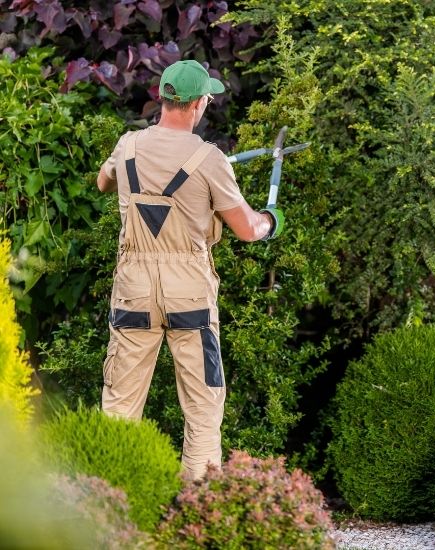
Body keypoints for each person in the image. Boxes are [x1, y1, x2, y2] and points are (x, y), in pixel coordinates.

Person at [95, 60, 281, 479]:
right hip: (189, 293)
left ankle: (109, 512)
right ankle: (197, 509)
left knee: (120, 405)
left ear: (163, 99)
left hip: (134, 289)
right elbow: (248, 229)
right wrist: (272, 220)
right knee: (202, 405)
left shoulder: (127, 146)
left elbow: (103, 182)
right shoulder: (210, 159)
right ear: (198, 103)